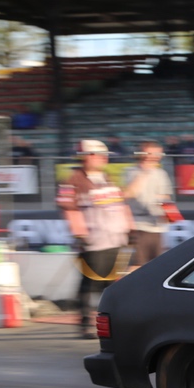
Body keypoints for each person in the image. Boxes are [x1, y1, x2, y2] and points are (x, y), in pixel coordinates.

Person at [57, 139, 133, 339]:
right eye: (99, 155)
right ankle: (84, 324)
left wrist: (129, 228)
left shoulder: (107, 178)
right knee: (90, 283)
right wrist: (80, 234)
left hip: (115, 238)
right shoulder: (72, 181)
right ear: (87, 157)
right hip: (94, 240)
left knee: (111, 285)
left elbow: (120, 204)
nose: (104, 159)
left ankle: (111, 322)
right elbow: (69, 209)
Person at [122, 141, 175, 271]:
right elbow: (129, 193)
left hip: (157, 226)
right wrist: (145, 172)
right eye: (152, 153)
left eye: (158, 153)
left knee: (155, 265)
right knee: (137, 265)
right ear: (142, 153)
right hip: (138, 225)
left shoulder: (161, 173)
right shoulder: (130, 171)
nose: (156, 156)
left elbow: (165, 197)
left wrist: (170, 216)